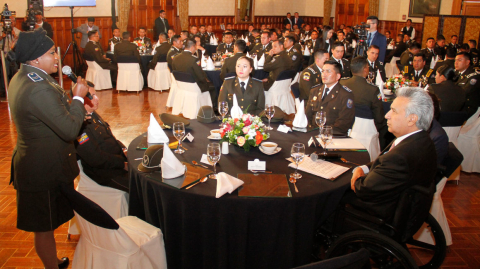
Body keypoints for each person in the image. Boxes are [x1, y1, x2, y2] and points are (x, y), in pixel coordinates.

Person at [9, 28, 89, 269]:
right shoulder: (37, 86)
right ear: (35, 59)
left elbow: (51, 106)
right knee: (43, 226)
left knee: (48, 221)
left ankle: (52, 262)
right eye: (52, 53)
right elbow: (68, 129)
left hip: (40, 163)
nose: (57, 57)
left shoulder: (26, 76)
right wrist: (77, 100)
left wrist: (76, 102)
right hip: (40, 170)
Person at [350, 87, 437, 222]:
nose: (386, 115)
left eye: (394, 111)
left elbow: (364, 189)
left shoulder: (401, 156)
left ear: (412, 119)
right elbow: (385, 161)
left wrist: (356, 175)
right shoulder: (420, 140)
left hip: (378, 214)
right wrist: (364, 168)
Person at [76, 89, 129, 193]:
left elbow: (109, 137)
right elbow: (95, 158)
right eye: (92, 96)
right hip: (105, 173)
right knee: (140, 187)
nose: (97, 99)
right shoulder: (80, 125)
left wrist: (123, 149)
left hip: (115, 163)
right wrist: (123, 164)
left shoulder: (93, 114)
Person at [341, 57, 387, 147]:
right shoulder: (372, 89)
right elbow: (379, 117)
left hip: (344, 126)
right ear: (365, 69)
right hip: (366, 132)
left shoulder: (342, 83)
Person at [305, 60, 355, 135]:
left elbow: (343, 123)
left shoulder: (345, 95)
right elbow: (307, 115)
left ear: (338, 76)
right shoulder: (315, 90)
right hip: (312, 133)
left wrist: (324, 133)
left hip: (333, 136)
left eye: (328, 71)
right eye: (323, 71)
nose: (324, 74)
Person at [454, 52, 480, 117]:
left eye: (459, 60)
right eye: (455, 60)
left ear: (467, 62)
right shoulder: (455, 73)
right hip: (457, 105)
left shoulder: (473, 76)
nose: (456, 63)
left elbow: (464, 92)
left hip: (468, 109)